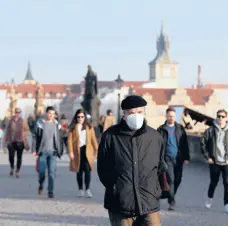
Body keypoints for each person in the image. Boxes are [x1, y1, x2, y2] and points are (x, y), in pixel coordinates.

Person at [97, 95, 165, 226]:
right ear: (124, 114)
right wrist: (115, 187)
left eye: (139, 112)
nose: (136, 115)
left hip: (149, 200)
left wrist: (155, 190)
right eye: (132, 113)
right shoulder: (111, 136)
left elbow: (161, 166)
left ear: (144, 112)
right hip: (120, 203)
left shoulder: (155, 136)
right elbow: (103, 168)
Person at [157, 107, 190, 210]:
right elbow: (157, 145)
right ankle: (172, 201)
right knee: (170, 179)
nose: (171, 118)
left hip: (179, 158)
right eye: (169, 116)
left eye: (173, 116)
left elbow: (185, 144)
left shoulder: (180, 128)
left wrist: (186, 157)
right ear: (166, 116)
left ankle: (168, 195)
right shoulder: (161, 129)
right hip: (166, 158)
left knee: (178, 179)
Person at [201, 109, 228, 212]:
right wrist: (208, 156)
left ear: (226, 118)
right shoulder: (210, 130)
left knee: (227, 183)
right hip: (215, 161)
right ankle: (209, 197)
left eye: (222, 116)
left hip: (226, 162)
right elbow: (202, 143)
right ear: (216, 117)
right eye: (218, 116)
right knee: (214, 182)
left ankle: (226, 203)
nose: (220, 118)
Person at [33, 106, 63, 198]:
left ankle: (50, 191)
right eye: (49, 113)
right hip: (42, 152)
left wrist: (60, 150)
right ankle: (41, 185)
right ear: (46, 113)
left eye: (52, 114)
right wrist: (34, 150)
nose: (50, 115)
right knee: (41, 172)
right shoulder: (40, 124)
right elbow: (35, 138)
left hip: (53, 152)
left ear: (54, 115)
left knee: (51, 173)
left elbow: (59, 139)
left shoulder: (57, 125)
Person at [68, 109, 98, 198]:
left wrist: (97, 151)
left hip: (87, 151)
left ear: (84, 117)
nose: (80, 118)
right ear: (76, 117)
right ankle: (80, 189)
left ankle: (88, 189)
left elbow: (93, 140)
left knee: (88, 170)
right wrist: (70, 152)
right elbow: (69, 141)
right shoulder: (73, 128)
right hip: (77, 151)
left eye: (82, 117)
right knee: (79, 171)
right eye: (78, 117)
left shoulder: (89, 127)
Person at [4, 108, 30, 178]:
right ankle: (12, 167)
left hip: (20, 141)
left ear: (20, 113)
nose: (17, 114)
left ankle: (18, 170)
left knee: (19, 157)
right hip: (11, 141)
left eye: (19, 113)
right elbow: (6, 131)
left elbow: (28, 131)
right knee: (11, 156)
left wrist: (23, 134)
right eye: (16, 112)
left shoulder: (23, 121)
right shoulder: (10, 121)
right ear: (14, 113)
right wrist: (5, 142)